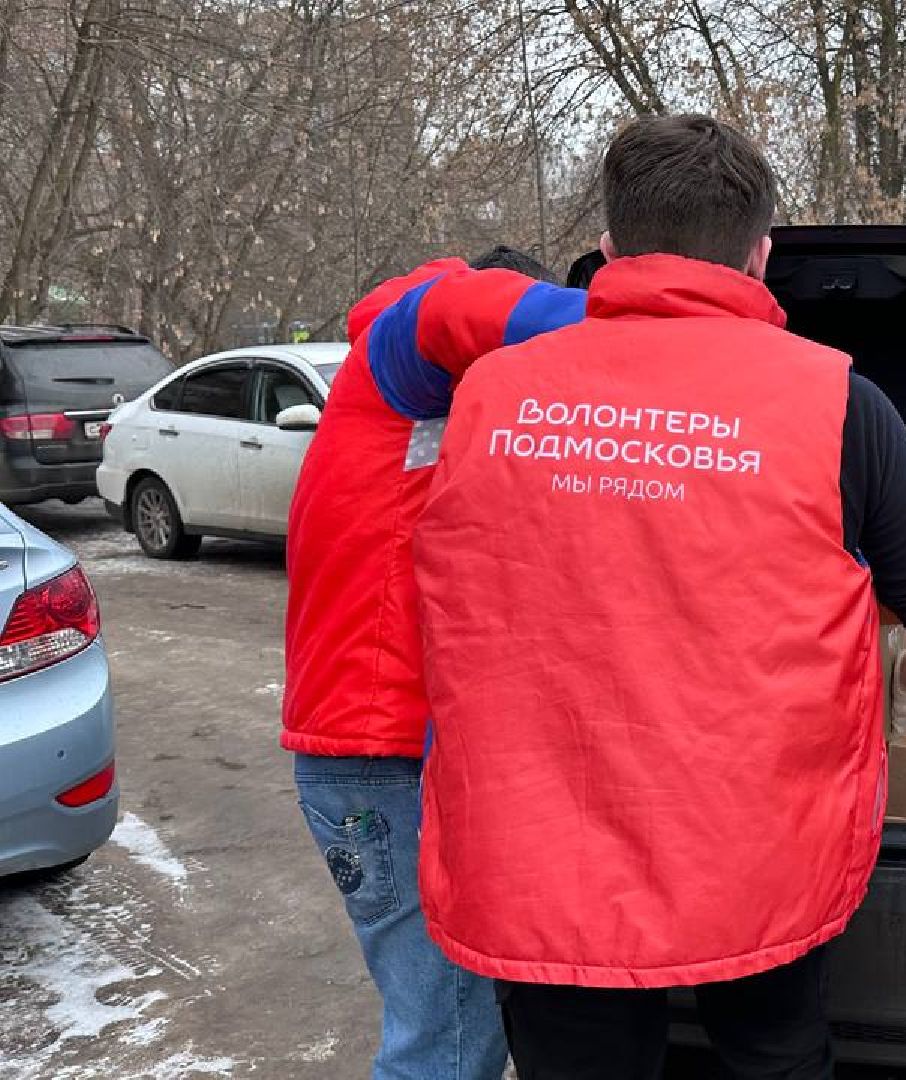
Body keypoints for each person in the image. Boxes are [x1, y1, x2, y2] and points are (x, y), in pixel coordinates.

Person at [409, 113, 906, 1079]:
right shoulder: (839, 401)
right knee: (774, 1055)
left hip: (542, 841)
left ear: (611, 247)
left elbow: (453, 593)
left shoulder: (490, 395)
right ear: (761, 254)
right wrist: (888, 706)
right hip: (756, 842)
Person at [282, 246, 585, 1080]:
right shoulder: (402, 354)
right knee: (447, 1039)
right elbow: (462, 309)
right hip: (379, 765)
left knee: (454, 1026)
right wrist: (660, 328)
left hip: (388, 761)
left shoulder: (429, 427)